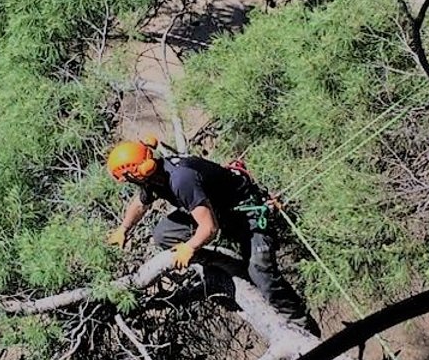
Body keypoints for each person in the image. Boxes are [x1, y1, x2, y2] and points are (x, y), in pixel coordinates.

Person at [105, 137, 314, 327]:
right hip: (215, 210)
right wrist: (123, 229)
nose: (129, 182)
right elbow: (141, 204)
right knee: (164, 233)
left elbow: (209, 228)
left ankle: (300, 323)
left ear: (137, 173)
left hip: (244, 212)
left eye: (128, 178)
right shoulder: (154, 177)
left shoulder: (180, 180)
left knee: (261, 273)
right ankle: (224, 264)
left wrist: (190, 246)